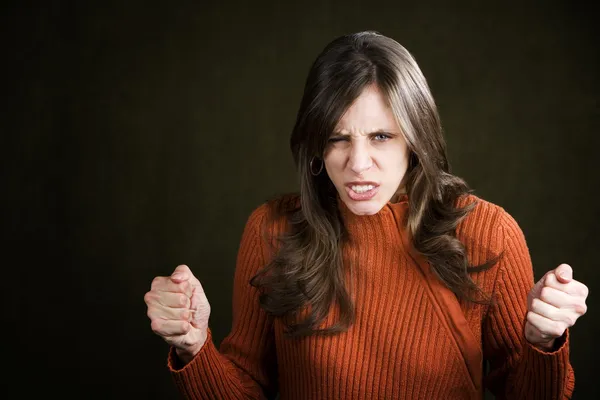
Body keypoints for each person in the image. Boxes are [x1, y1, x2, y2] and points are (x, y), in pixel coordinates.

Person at [144, 31, 588, 399]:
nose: (357, 163)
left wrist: (543, 343)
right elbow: (245, 389)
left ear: (415, 140)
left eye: (380, 136)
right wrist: (194, 345)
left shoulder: (487, 233)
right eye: (338, 138)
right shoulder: (271, 230)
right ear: (316, 144)